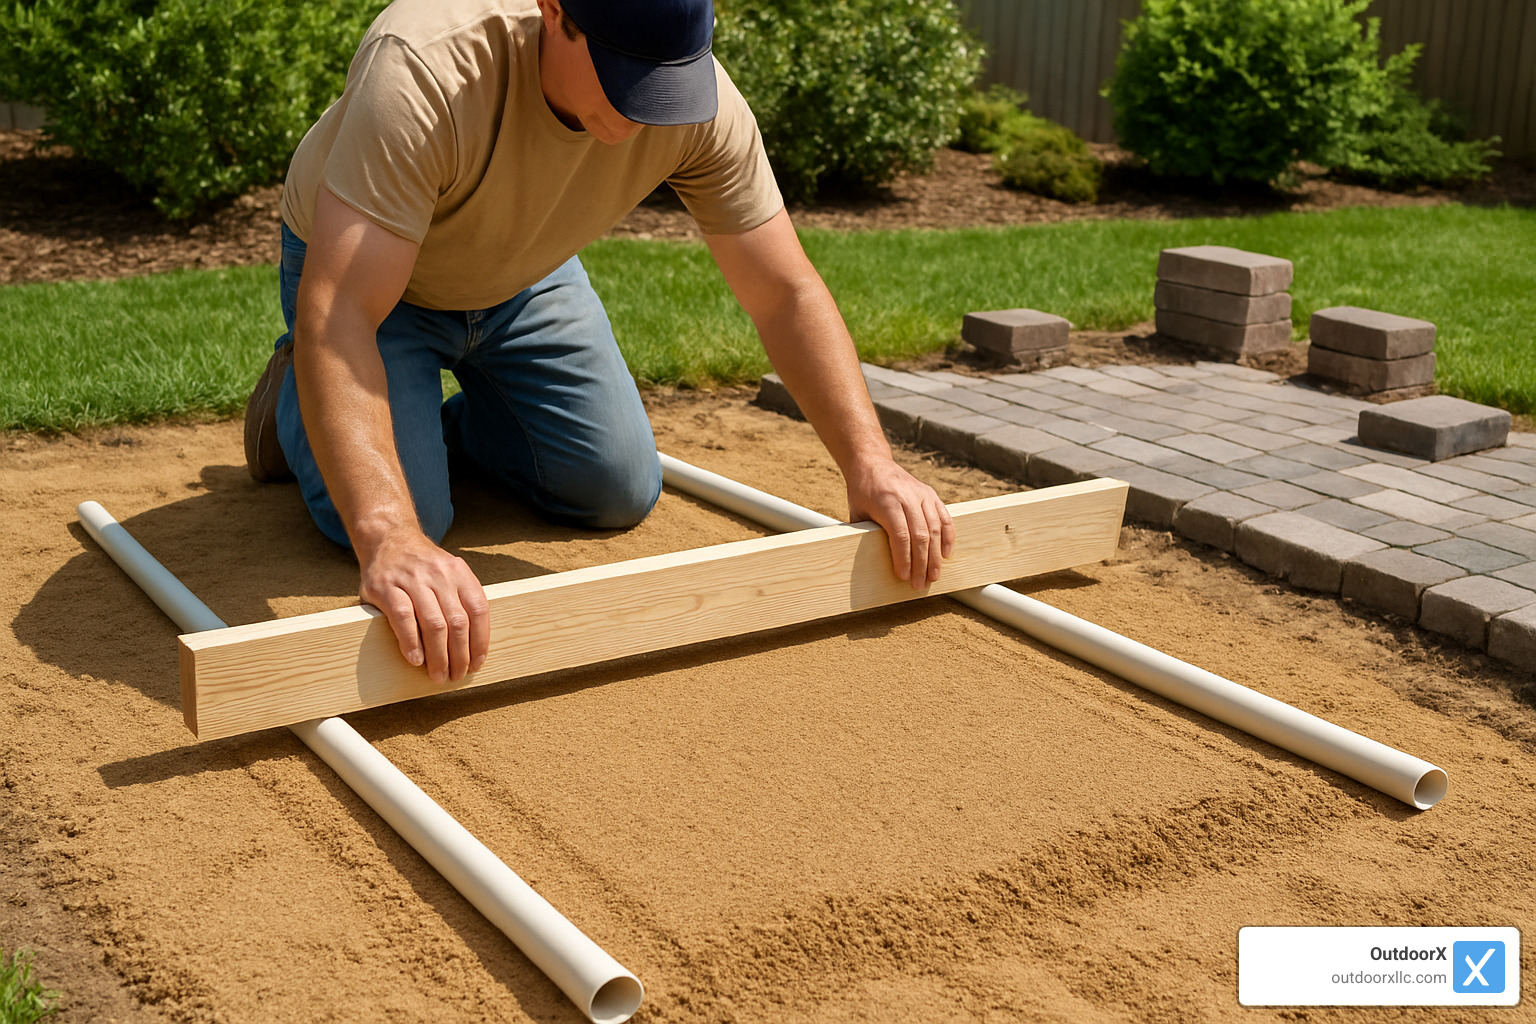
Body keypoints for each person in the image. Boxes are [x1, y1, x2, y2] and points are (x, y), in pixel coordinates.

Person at [245, 0, 955, 690]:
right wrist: (391, 536)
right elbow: (340, 320)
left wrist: (872, 465)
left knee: (615, 488)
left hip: (527, 273)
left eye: (666, 80)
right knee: (405, 519)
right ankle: (296, 402)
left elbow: (784, 292)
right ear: (554, 11)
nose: (647, 107)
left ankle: (422, 428)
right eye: (625, 73)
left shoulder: (696, 98)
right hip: (372, 286)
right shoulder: (426, 62)